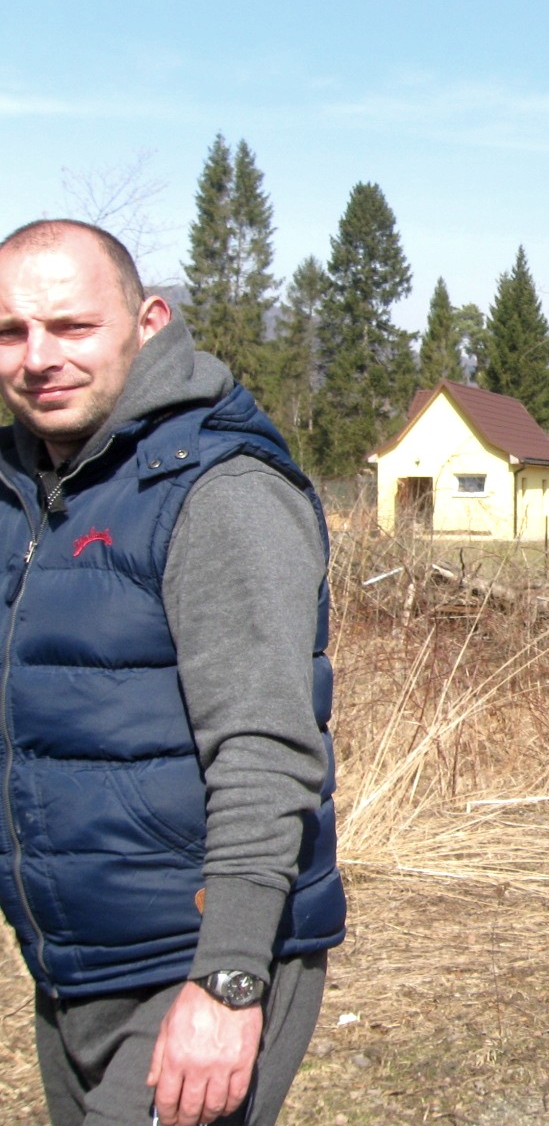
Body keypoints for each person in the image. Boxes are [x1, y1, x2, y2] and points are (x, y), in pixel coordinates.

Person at [0, 219, 345, 1126]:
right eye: (11, 331)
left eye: (72, 327)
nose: (37, 358)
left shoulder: (215, 489)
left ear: (149, 323)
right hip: (73, 965)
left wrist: (229, 979)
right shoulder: (26, 490)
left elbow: (265, 748)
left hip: (191, 963)